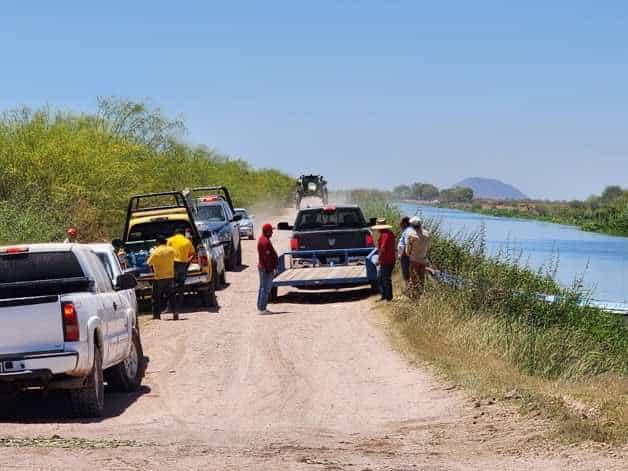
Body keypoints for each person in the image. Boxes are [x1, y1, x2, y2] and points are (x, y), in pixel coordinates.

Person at [147, 234, 177, 320]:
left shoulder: (155, 251)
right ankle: (175, 312)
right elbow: (176, 259)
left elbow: (149, 263)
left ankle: (157, 316)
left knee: (156, 297)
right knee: (172, 296)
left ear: (157, 242)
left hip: (159, 278)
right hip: (170, 277)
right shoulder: (171, 250)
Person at [168, 228, 196, 312]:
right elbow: (192, 254)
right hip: (183, 265)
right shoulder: (187, 241)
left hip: (172, 264)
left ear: (174, 233)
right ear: (183, 234)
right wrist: (187, 263)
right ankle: (179, 306)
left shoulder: (170, 240)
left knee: (171, 286)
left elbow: (166, 252)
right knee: (181, 286)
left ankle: (170, 306)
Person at [406, 216, 432, 294]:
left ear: (412, 225)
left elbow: (407, 251)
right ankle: (420, 296)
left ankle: (414, 297)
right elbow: (429, 247)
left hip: (414, 260)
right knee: (421, 280)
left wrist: (410, 254)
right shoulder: (427, 234)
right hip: (423, 260)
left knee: (413, 279)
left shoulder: (411, 235)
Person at [257, 223, 278, 313]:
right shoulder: (265, 242)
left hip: (264, 267)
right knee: (265, 288)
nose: (272, 232)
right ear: (267, 232)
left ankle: (260, 307)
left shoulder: (264, 240)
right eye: (271, 231)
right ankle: (262, 308)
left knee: (263, 287)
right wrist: (270, 269)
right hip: (266, 268)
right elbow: (267, 258)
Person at [373, 221, 396, 301]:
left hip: (387, 260)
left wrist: (378, 259)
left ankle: (388, 297)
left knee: (385, 278)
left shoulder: (385, 235)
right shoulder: (389, 233)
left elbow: (382, 248)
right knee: (381, 278)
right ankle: (384, 295)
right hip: (389, 259)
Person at [397, 216, 414, 289]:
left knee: (406, 274)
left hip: (405, 256)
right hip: (407, 255)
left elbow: (407, 244)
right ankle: (410, 290)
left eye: (400, 223)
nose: (399, 225)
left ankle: (409, 291)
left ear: (404, 223)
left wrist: (402, 254)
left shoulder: (407, 231)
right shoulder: (410, 230)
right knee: (409, 274)